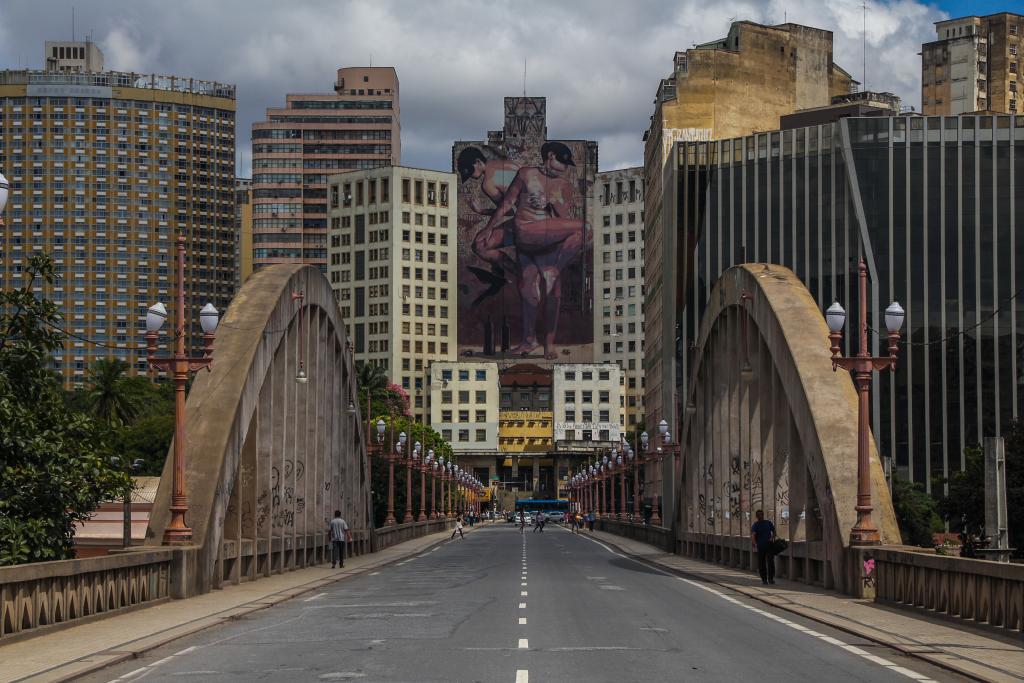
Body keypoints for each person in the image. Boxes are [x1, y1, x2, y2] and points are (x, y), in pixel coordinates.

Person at [477, 142, 586, 359]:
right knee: (527, 291)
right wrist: (488, 228)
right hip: (524, 238)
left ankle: (548, 345)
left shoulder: (564, 185)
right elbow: (507, 203)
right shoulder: (526, 174)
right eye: (562, 162)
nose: (565, 167)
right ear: (551, 155)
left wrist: (549, 202)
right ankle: (529, 341)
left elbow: (562, 220)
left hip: (548, 244)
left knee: (553, 290)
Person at [751, 509, 777, 585]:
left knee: (770, 561)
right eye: (758, 515)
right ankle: (764, 579)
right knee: (761, 563)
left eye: (761, 515)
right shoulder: (755, 525)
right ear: (756, 516)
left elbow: (774, 531)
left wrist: (772, 538)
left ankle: (771, 578)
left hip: (769, 545)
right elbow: (753, 535)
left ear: (763, 515)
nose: (760, 516)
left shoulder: (768, 523)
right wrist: (755, 544)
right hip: (760, 546)